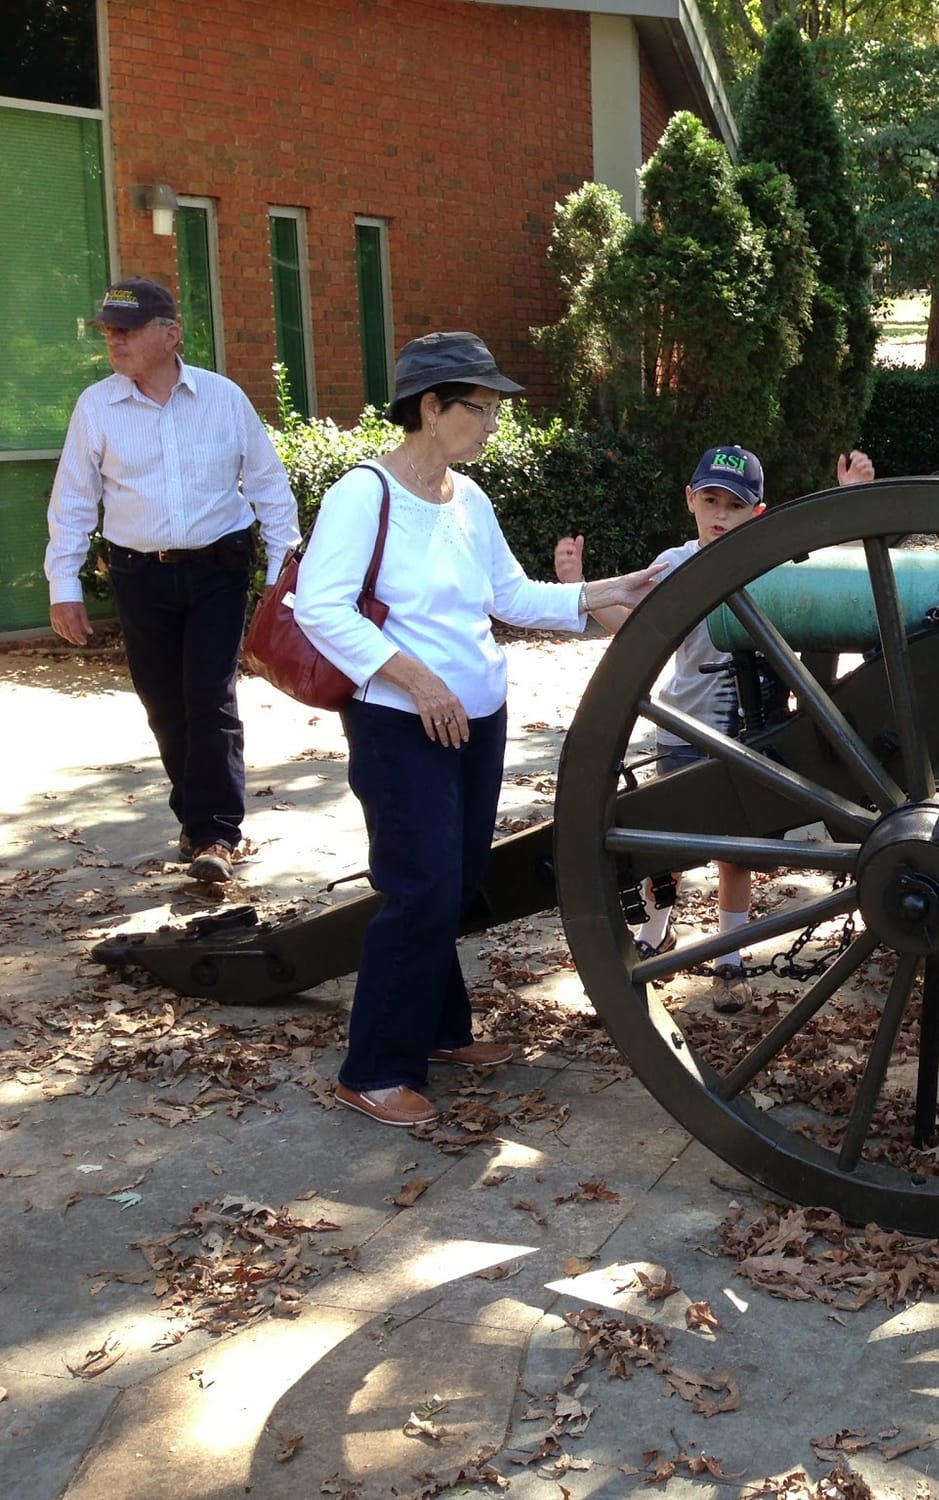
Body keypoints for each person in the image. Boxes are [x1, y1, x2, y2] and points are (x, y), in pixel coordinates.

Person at [294, 332, 665, 1128]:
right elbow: (320, 608)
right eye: (483, 408)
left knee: (457, 882)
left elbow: (511, 596)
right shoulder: (364, 494)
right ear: (431, 407)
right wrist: (417, 679)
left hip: (477, 720)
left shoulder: (469, 498)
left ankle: (438, 1029)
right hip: (401, 724)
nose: (495, 423)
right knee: (420, 885)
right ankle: (372, 1071)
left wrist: (609, 588)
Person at [553, 445, 873, 1012]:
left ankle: (730, 953)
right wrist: (579, 587)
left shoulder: (768, 563)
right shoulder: (672, 564)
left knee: (735, 853)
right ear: (691, 501)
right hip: (683, 725)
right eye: (711, 501)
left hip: (744, 738)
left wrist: (849, 500)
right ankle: (656, 930)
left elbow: (824, 571)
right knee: (664, 846)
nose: (720, 514)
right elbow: (635, 630)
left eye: (735, 505)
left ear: (758, 512)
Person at [44, 277, 301, 886]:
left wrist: (281, 573)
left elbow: (268, 484)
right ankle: (195, 817)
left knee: (210, 698)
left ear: (171, 335)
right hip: (138, 575)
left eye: (127, 330)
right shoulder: (96, 407)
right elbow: (73, 501)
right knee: (163, 704)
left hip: (218, 568)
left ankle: (215, 832)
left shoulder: (222, 398)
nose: (115, 341)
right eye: (109, 331)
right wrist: (64, 586)